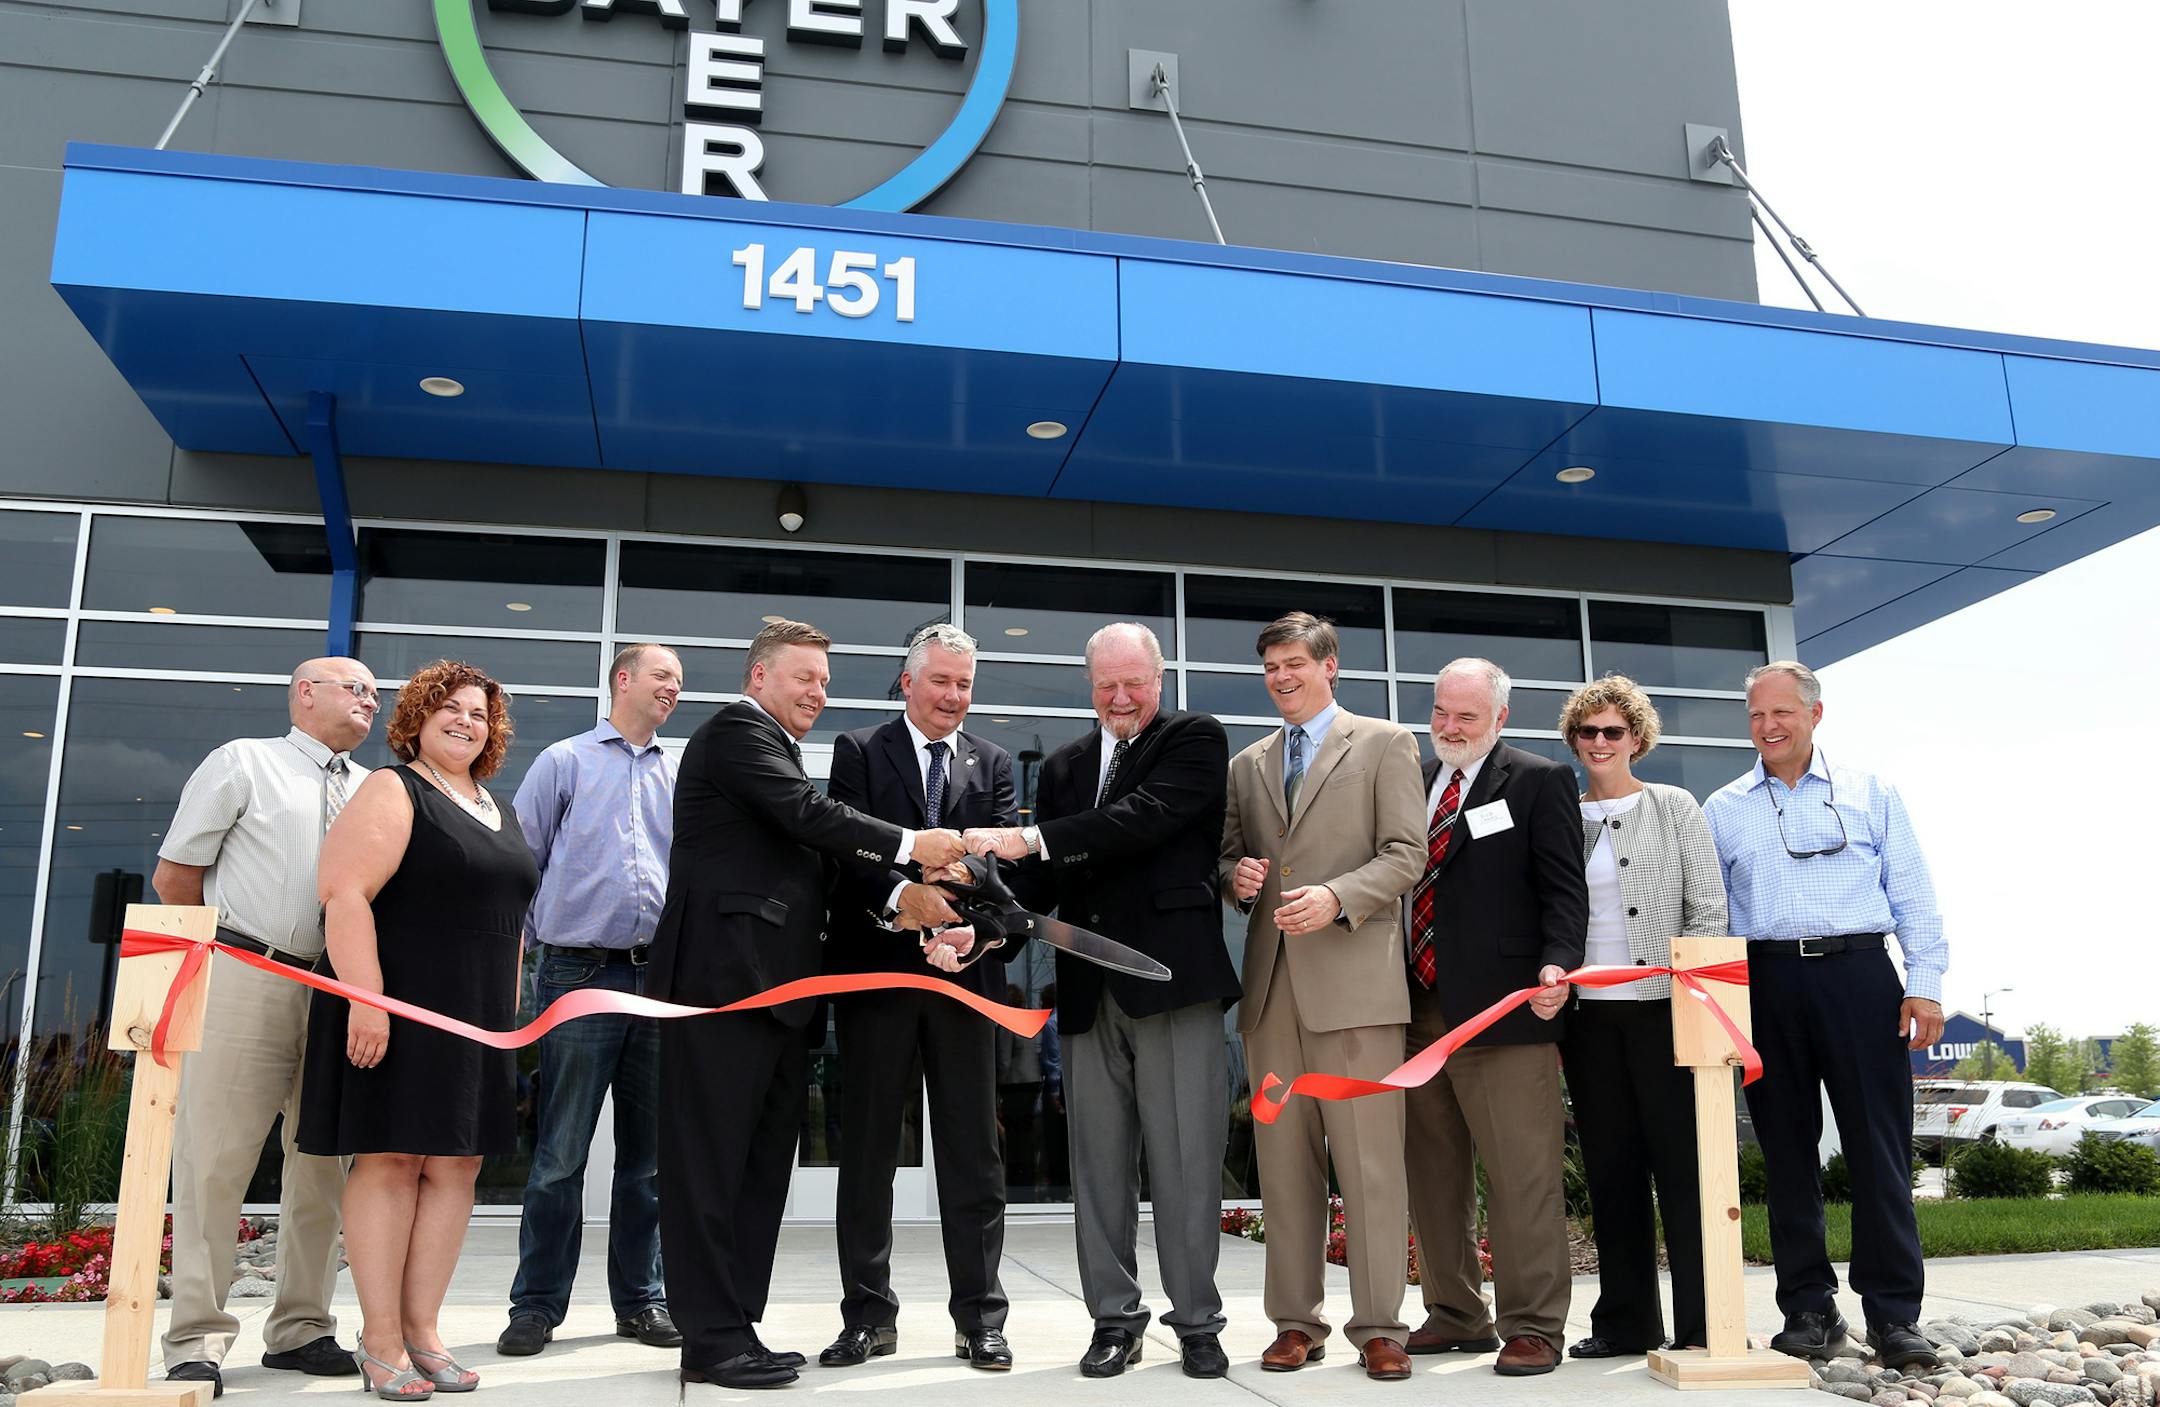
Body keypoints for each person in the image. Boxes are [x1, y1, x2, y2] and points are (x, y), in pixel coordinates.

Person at [645, 619, 968, 1391]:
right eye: (804, 677)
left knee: (758, 1173)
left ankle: (735, 1328)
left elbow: (817, 863)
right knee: (711, 1169)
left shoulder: (781, 753)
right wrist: (911, 846)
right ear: (759, 677)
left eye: (825, 680)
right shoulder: (734, 734)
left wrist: (902, 903)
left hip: (782, 998)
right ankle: (711, 1337)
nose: (817, 692)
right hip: (721, 990)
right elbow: (809, 818)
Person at [966, 622, 1242, 1381]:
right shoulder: (1063, 766)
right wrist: (979, 930)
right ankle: (1113, 1320)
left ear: (1159, 677)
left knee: (1187, 1161)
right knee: (1097, 1165)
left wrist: (1028, 841)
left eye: (1135, 682)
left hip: (1170, 981)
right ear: (1089, 685)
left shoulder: (1194, 738)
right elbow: (1039, 888)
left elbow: (1142, 820)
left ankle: (1197, 1322)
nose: (1121, 698)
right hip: (1086, 991)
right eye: (1106, 685)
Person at [299, 660, 538, 1400]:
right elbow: (345, 894)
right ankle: (379, 1339)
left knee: (458, 1164)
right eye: (451, 707)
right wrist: (367, 1001)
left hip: (478, 1015)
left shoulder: (495, 805)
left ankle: (423, 1329)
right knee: (394, 1158)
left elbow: (511, 921)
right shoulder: (392, 787)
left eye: (480, 712)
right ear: (419, 716)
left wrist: (513, 1008)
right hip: (399, 1004)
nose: (466, 720)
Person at [1703, 661, 1946, 1372]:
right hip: (1767, 980)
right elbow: (1713, 915)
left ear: (1815, 714)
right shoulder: (1725, 806)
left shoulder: (1873, 793)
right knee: (1785, 1152)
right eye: (1756, 715)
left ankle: (1895, 1316)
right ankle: (1809, 1307)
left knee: (1880, 1151)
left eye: (1782, 712)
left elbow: (1914, 892)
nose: (1768, 726)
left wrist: (1924, 984)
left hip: (1861, 975)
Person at [154, 657, 380, 1397]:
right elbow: (175, 878)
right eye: (357, 687)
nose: (370, 699)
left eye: (376, 693)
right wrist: (228, 957)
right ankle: (196, 1337)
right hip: (247, 973)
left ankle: (302, 1328)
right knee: (215, 1160)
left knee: (322, 1163)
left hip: (335, 988)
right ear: (305, 692)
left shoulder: (372, 789)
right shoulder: (244, 762)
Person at [1219, 613, 1425, 1379]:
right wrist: (1236, 879)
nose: (1281, 676)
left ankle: (1379, 1326)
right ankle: (1296, 1322)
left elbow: (1408, 853)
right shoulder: (1248, 764)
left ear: (1329, 665)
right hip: (1272, 998)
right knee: (1284, 1166)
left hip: (1357, 994)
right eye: (1270, 665)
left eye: (1294, 662)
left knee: (1371, 1165)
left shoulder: (1384, 743)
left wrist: (1339, 895)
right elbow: (1233, 855)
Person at [819, 623, 1021, 1371]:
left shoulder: (993, 761)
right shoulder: (860, 752)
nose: (953, 696)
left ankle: (981, 1318)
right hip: (879, 979)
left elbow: (1003, 871)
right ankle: (867, 1316)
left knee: (975, 1155)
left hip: (967, 985)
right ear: (908, 683)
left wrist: (971, 928)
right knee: (868, 1153)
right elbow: (846, 849)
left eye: (964, 683)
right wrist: (905, 896)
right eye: (940, 680)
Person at [496, 644, 685, 1358]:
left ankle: (642, 1300)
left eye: (679, 680)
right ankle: (537, 1305)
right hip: (577, 974)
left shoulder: (679, 770)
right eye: (663, 675)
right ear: (623, 679)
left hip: (660, 981)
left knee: (651, 1160)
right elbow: (519, 870)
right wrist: (509, 975)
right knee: (559, 1152)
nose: (674, 687)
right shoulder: (563, 762)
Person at [1401, 658, 1587, 1377]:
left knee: (1521, 1176)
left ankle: (1534, 1324)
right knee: (1433, 1171)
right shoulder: (1410, 780)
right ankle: (1455, 1312)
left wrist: (1558, 964)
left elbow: (1564, 890)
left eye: (1466, 716)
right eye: (1441, 711)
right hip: (1414, 1008)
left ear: (1500, 718)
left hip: (1506, 1011)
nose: (1449, 727)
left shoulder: (1538, 781)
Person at [1552, 676, 1726, 1360]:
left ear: (1638, 739)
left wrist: (1699, 1005)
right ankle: (1625, 1322)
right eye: (1587, 732)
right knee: (1611, 1170)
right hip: (1588, 1020)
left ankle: (1706, 1321)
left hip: (1666, 1013)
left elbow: (1709, 911)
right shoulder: (1560, 812)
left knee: (1684, 1169)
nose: (1599, 742)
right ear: (1573, 739)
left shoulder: (1675, 806)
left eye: (1612, 732)